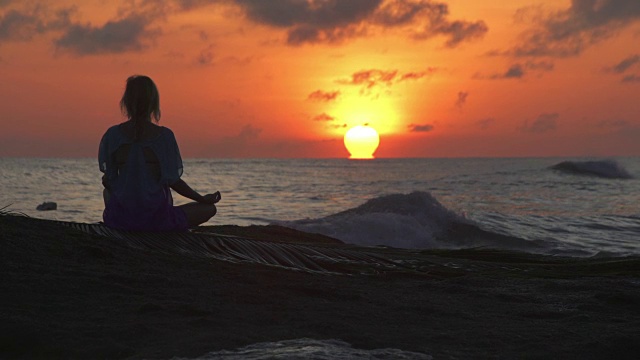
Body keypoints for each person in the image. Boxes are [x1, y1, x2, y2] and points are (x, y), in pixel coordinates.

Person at [99, 75, 219, 231]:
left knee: (107, 193)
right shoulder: (164, 137)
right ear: (153, 103)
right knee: (209, 209)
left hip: (121, 218)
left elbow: (110, 181)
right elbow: (174, 181)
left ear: (126, 102)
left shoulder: (112, 135)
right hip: (156, 220)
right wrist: (201, 198)